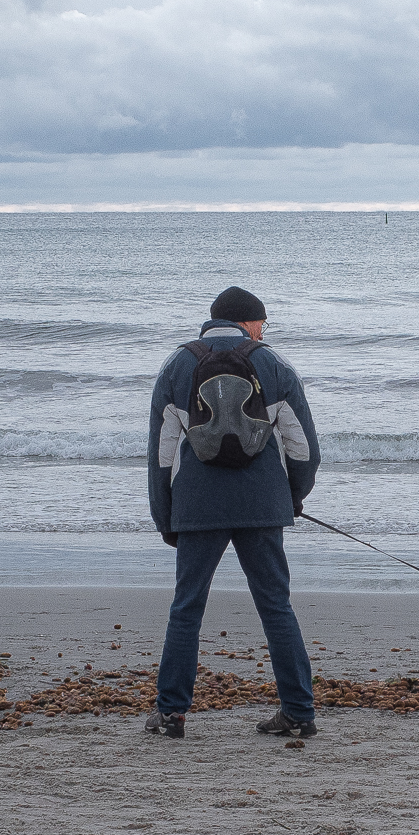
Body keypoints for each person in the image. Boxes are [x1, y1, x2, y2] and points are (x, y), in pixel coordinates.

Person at [145, 286, 321, 739]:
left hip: (196, 505)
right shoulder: (274, 364)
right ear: (248, 322)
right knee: (276, 605)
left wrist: (165, 517)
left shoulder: (177, 365)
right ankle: (299, 713)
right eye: (262, 323)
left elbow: (162, 456)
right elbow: (304, 449)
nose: (263, 331)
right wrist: (292, 500)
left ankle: (171, 715)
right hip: (263, 505)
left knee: (187, 607)